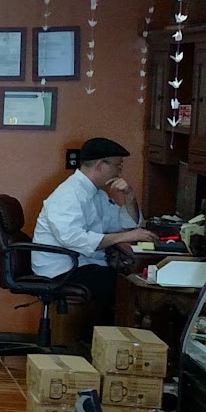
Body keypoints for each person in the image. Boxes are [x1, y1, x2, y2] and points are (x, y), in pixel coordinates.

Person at [31, 137, 157, 325]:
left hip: (82, 263)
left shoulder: (97, 194)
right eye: (117, 166)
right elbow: (74, 239)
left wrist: (129, 196)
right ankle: (102, 337)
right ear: (99, 165)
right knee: (121, 287)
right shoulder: (68, 194)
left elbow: (124, 223)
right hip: (61, 269)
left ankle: (104, 335)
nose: (119, 172)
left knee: (125, 282)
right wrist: (124, 237)